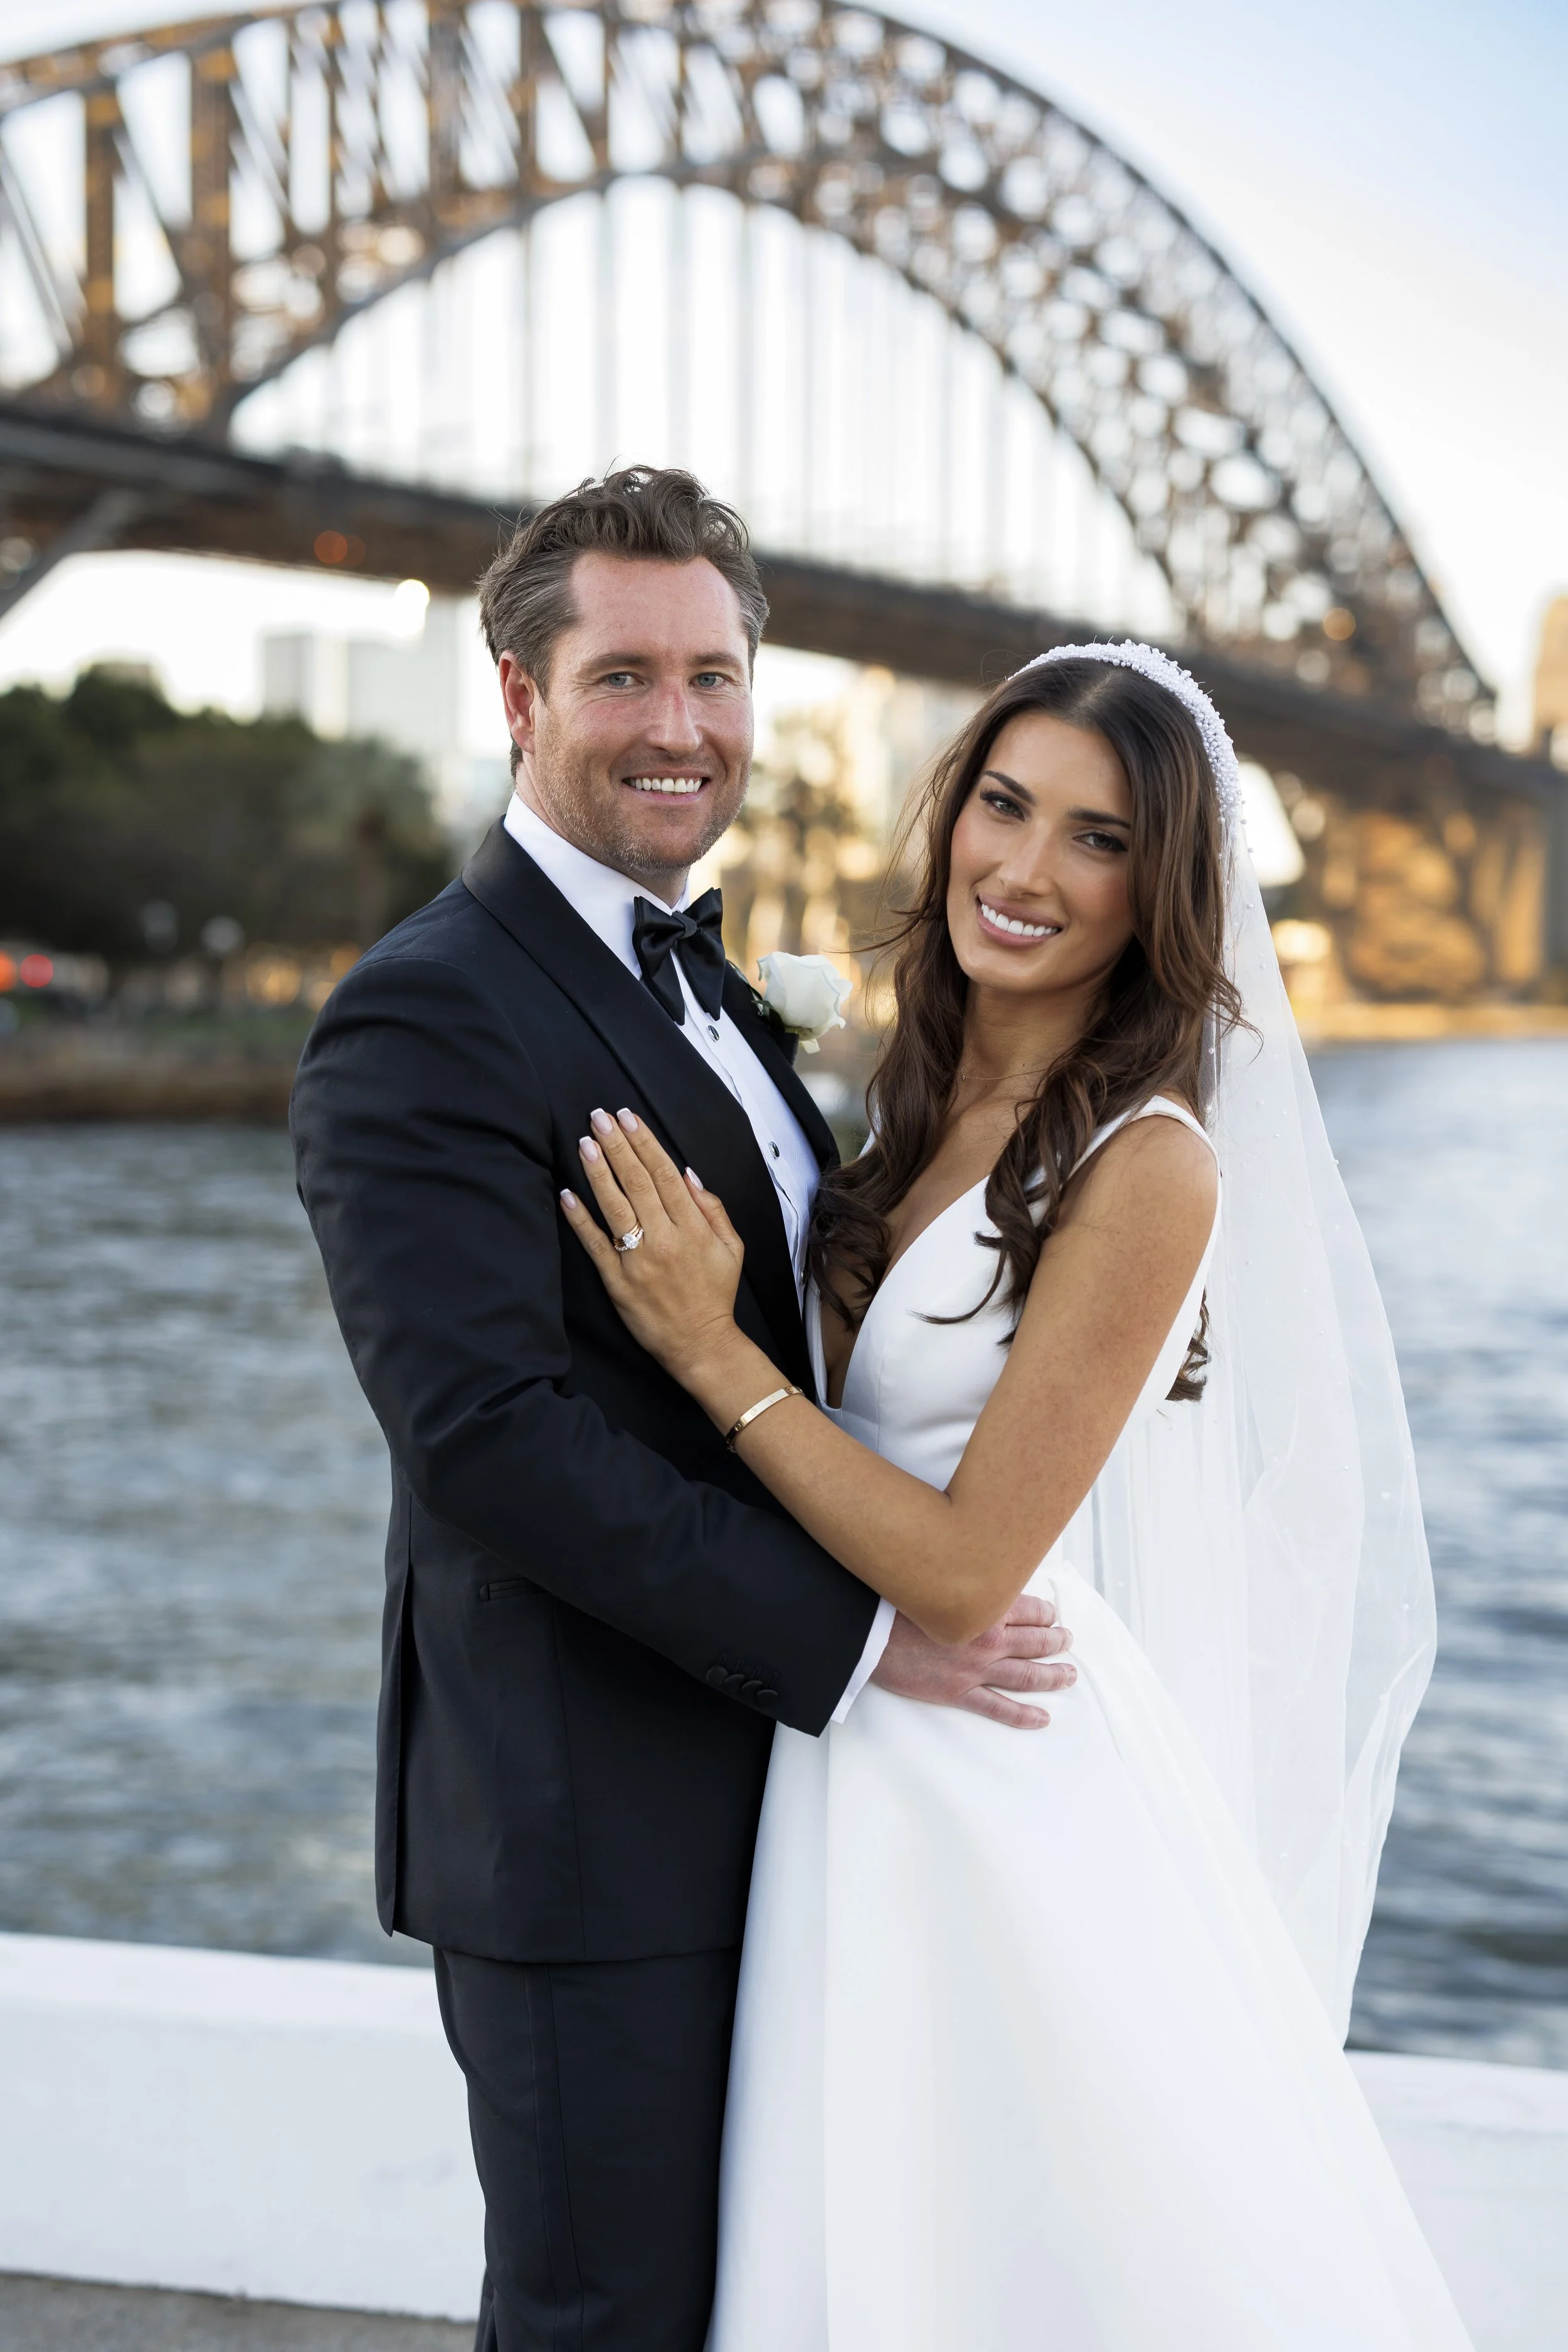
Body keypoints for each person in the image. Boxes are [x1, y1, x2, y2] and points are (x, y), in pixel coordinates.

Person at [561, 642, 1476, 2349]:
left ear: (1162, 888)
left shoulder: (1146, 1162)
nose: (1024, 869)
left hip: (993, 1760)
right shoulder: (911, 1100)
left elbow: (975, 1567)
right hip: (843, 1738)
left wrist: (709, 1350)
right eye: (1002, 805)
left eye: (1097, 839)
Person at [289, 467, 1076, 2352]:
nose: (680, 726)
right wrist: (871, 1631)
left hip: (792, 1800)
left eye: (715, 676)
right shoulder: (425, 1014)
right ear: (517, 693)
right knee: (606, 2323)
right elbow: (488, 1437)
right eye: (624, 673)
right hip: (588, 1829)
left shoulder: (712, 984)